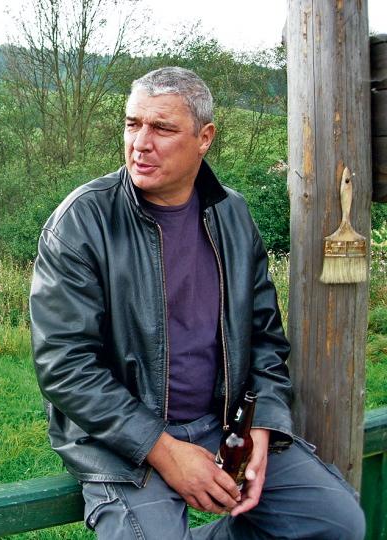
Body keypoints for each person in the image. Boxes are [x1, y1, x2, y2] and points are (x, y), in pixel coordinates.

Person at [29, 66, 365, 539]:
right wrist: (164, 450)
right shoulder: (82, 222)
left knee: (336, 523)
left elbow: (266, 340)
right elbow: (64, 365)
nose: (140, 143)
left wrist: (263, 425)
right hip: (123, 442)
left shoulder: (232, 214)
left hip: (224, 426)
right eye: (132, 124)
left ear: (204, 138)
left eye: (162, 128)